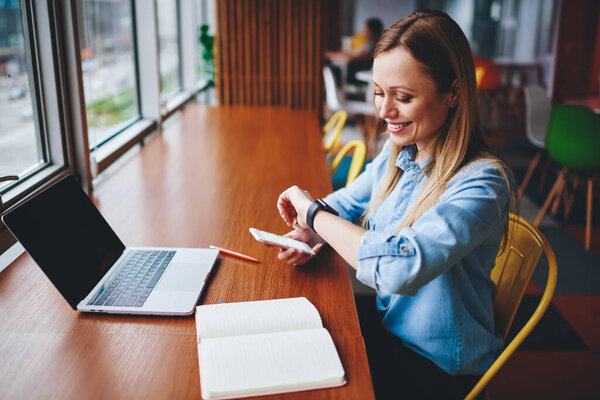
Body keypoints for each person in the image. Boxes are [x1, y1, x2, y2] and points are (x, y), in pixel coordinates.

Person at [276, 9, 516, 400]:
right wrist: (312, 230)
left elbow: (399, 268)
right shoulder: (399, 150)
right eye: (379, 92)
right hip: (394, 329)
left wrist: (315, 215)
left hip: (438, 367)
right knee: (294, 345)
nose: (384, 111)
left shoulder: (483, 183)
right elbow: (349, 201)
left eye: (402, 97)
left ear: (453, 92)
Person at [325, 17, 384, 84]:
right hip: (352, 71)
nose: (364, 33)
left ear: (373, 32)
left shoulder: (373, 46)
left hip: (356, 75)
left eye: (366, 30)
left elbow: (351, 58)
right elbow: (351, 55)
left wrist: (330, 55)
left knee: (332, 70)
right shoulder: (368, 44)